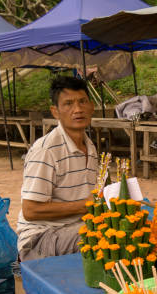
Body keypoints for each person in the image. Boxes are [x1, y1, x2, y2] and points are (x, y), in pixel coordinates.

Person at [17, 76, 98, 261]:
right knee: (105, 237)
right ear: (55, 111)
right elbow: (30, 211)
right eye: (68, 104)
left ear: (91, 106)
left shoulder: (90, 146)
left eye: (82, 101)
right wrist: (85, 205)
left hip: (74, 228)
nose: (77, 109)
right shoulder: (46, 151)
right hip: (40, 238)